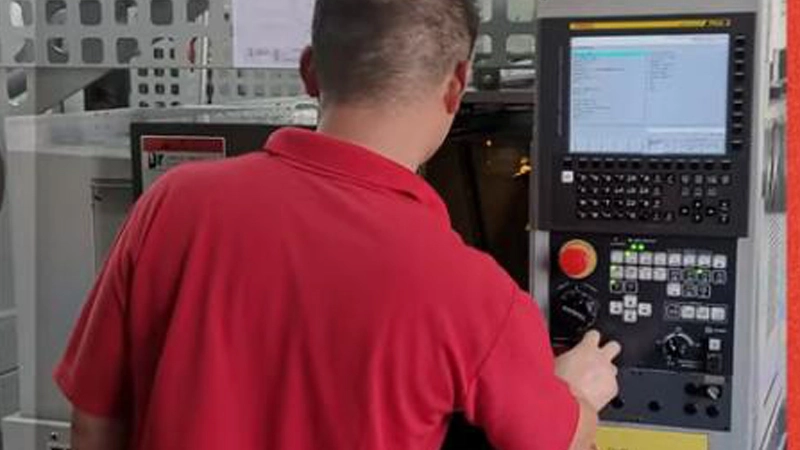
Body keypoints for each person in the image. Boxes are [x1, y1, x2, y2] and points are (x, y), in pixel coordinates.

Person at [55, 0, 621, 449]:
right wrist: (577, 391)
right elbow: (556, 439)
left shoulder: (172, 204)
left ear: (309, 71)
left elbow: (94, 421)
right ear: (456, 85)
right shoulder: (477, 296)